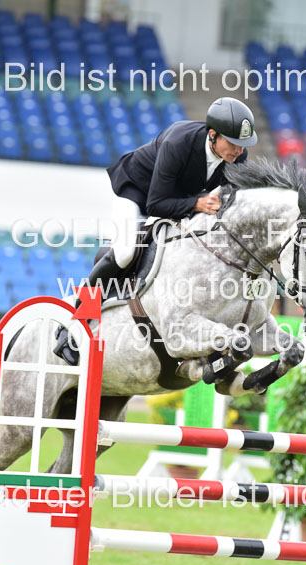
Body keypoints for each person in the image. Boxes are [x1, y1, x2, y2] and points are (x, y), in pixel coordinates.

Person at [54, 96, 259, 364]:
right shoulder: (179, 142)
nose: (239, 150)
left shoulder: (237, 156)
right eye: (233, 143)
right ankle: (74, 323)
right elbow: (156, 204)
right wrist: (196, 204)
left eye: (243, 144)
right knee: (126, 253)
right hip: (137, 193)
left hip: (180, 200)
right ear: (212, 135)